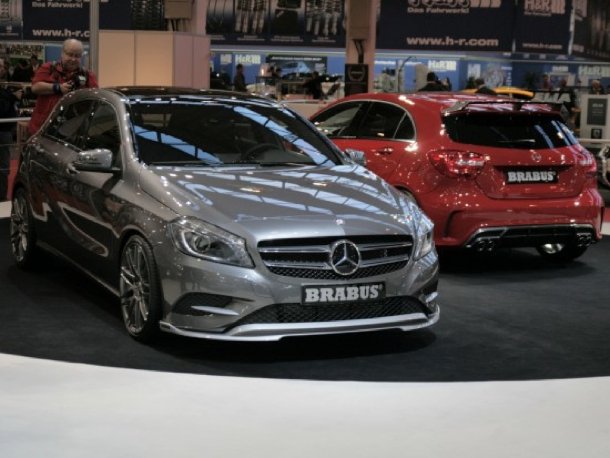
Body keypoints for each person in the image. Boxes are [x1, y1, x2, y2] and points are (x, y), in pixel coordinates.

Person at [28, 38, 98, 136]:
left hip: (71, 134)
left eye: (77, 56)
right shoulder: (48, 68)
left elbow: (95, 98)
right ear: (62, 53)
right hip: (41, 130)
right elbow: (35, 87)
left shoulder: (88, 75)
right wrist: (58, 88)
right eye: (70, 54)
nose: (73, 59)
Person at [0, 59, 23, 200]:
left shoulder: (3, 87)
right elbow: (2, 108)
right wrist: (12, 97)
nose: (3, 69)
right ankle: (2, 199)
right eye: (0, 66)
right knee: (3, 167)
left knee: (4, 168)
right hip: (2, 131)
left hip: (5, 131)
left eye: (3, 66)